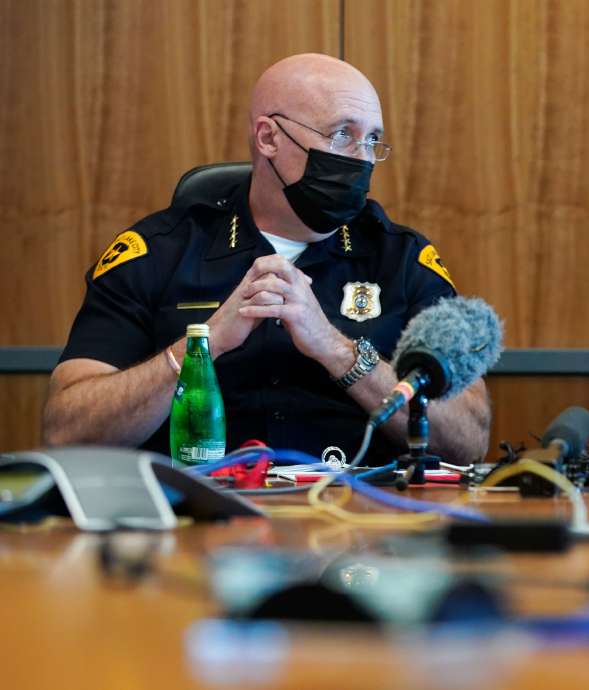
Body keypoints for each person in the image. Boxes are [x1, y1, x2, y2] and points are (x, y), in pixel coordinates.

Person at [43, 53, 491, 465]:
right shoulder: (158, 252)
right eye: (341, 135)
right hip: (194, 527)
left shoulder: (401, 259)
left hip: (360, 524)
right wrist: (204, 345)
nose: (362, 159)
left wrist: (336, 351)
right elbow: (66, 430)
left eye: (372, 140)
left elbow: (468, 436)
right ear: (269, 137)